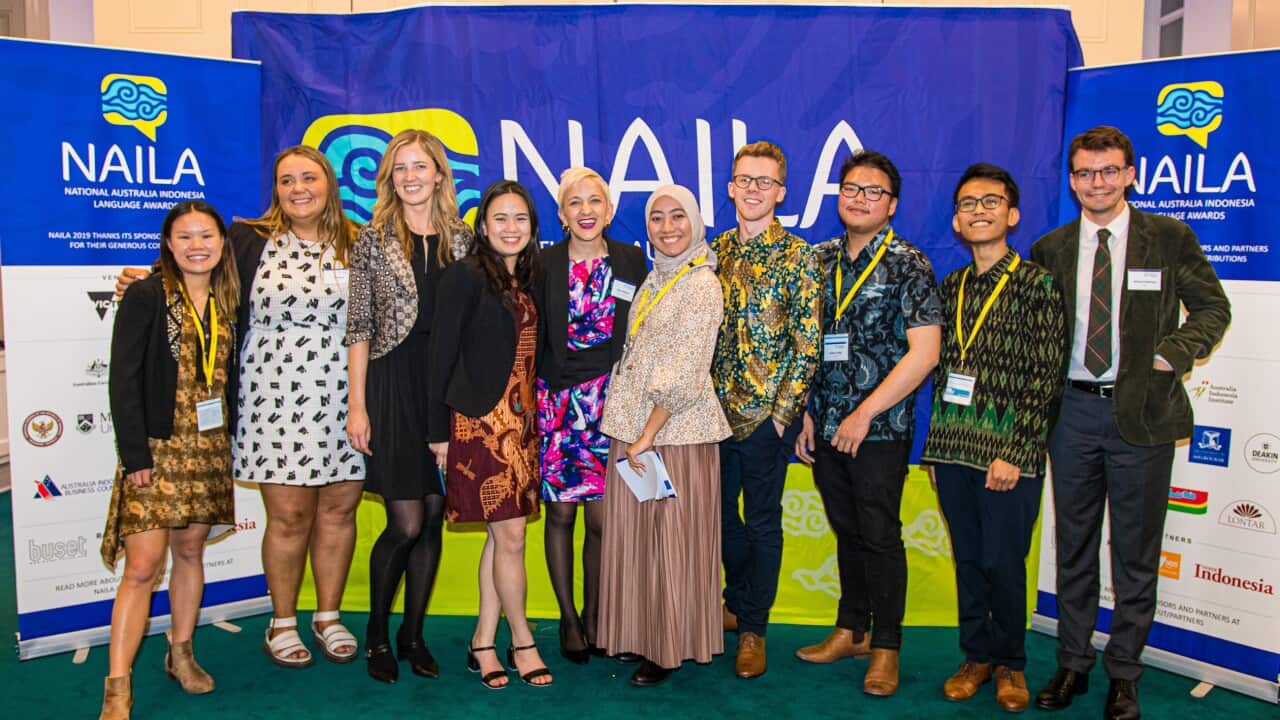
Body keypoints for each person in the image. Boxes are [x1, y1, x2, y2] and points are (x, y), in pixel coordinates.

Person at [116, 146, 365, 669]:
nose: (298, 188)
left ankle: (328, 616)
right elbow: (194, 272)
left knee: (339, 510)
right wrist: (145, 284)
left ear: (329, 183)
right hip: (272, 398)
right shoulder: (248, 238)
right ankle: (281, 622)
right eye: (286, 179)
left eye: (309, 177)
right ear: (275, 189)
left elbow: (374, 318)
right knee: (291, 516)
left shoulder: (357, 241)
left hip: (347, 397)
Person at [1030, 126, 1230, 719]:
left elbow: (1213, 306)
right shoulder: (1052, 248)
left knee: (1137, 554)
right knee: (1074, 548)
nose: (1098, 182)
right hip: (1070, 413)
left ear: (1130, 175)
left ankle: (1125, 673)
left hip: (1142, 413)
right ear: (1072, 180)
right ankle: (1072, 664)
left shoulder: (1168, 238)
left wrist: (1173, 352)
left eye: (1109, 170)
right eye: (1086, 173)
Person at [795, 149, 942, 696]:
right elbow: (809, 342)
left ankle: (886, 647)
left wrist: (863, 413)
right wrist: (808, 410)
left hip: (878, 429)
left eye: (873, 191)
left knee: (880, 535)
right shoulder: (820, 258)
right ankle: (850, 629)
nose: (860, 198)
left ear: (893, 204)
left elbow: (924, 353)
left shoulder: (909, 263)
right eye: (851, 188)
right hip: (826, 424)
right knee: (847, 530)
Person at [919, 163, 1065, 712]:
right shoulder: (951, 286)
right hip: (954, 451)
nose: (978, 211)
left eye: (990, 201)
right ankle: (976, 656)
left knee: (1004, 561)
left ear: (1012, 214)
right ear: (956, 221)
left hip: (1009, 456)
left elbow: (1046, 376)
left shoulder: (1036, 284)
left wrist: (1016, 452)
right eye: (967, 203)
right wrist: (936, 449)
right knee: (969, 559)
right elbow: (940, 371)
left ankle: (1011, 665)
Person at [100, 201, 239, 720]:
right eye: (185, 237)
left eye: (206, 236)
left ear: (223, 243)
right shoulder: (145, 295)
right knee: (141, 568)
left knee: (190, 553)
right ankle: (117, 688)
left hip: (206, 449)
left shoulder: (229, 298)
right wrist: (133, 454)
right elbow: (123, 379)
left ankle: (180, 653)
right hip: (155, 450)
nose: (197, 245)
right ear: (168, 244)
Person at [345, 129, 474, 683]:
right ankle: (377, 631)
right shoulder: (373, 238)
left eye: (420, 166)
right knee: (406, 519)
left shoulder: (465, 239)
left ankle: (412, 634)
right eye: (400, 168)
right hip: (392, 384)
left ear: (440, 175)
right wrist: (357, 404)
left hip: (447, 388)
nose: (410, 176)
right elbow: (359, 326)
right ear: (388, 178)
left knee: (435, 517)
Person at [597, 184, 732, 687]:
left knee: (670, 543)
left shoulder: (701, 284)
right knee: (643, 541)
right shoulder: (658, 277)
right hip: (640, 432)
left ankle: (669, 647)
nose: (668, 227)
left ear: (695, 223)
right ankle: (644, 635)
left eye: (679, 216)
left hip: (671, 436)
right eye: (657, 218)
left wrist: (647, 435)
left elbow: (685, 370)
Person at [428, 180, 551, 689]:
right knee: (513, 535)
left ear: (532, 227)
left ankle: (483, 639)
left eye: (519, 219)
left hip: (519, 425)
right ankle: (522, 639)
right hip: (478, 424)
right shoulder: (463, 275)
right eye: (499, 218)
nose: (510, 228)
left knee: (504, 536)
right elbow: (440, 356)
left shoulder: (527, 278)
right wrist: (439, 434)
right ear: (483, 226)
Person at [711, 141, 821, 679]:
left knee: (762, 522)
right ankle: (736, 601)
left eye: (765, 182)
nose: (753, 190)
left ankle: (753, 627)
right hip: (710, 417)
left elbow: (809, 343)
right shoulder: (712, 253)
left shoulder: (800, 256)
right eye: (744, 180)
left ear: (781, 192)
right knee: (717, 520)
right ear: (730, 187)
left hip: (766, 418)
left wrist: (783, 415)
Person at [534, 167, 646, 663]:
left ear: (609, 210)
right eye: (575, 203)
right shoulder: (542, 264)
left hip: (613, 403)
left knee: (602, 521)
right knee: (560, 512)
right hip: (558, 402)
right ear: (561, 214)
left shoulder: (631, 260)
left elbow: (645, 334)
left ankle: (599, 615)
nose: (585, 211)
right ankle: (568, 617)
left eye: (595, 201)